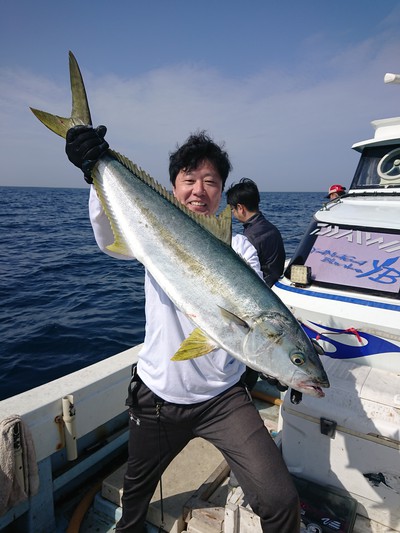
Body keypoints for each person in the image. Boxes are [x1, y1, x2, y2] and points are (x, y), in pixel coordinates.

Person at [65, 126, 300, 533]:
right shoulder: (151, 232)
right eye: (188, 180)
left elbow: (250, 319)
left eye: (210, 181)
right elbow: (108, 239)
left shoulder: (240, 250)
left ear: (222, 190)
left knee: (281, 501)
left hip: (223, 398)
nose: (198, 190)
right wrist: (94, 170)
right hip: (158, 396)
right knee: (133, 501)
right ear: (173, 187)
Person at [226, 178, 285, 287]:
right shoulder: (272, 228)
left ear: (240, 208)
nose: (233, 213)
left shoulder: (249, 238)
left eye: (232, 210)